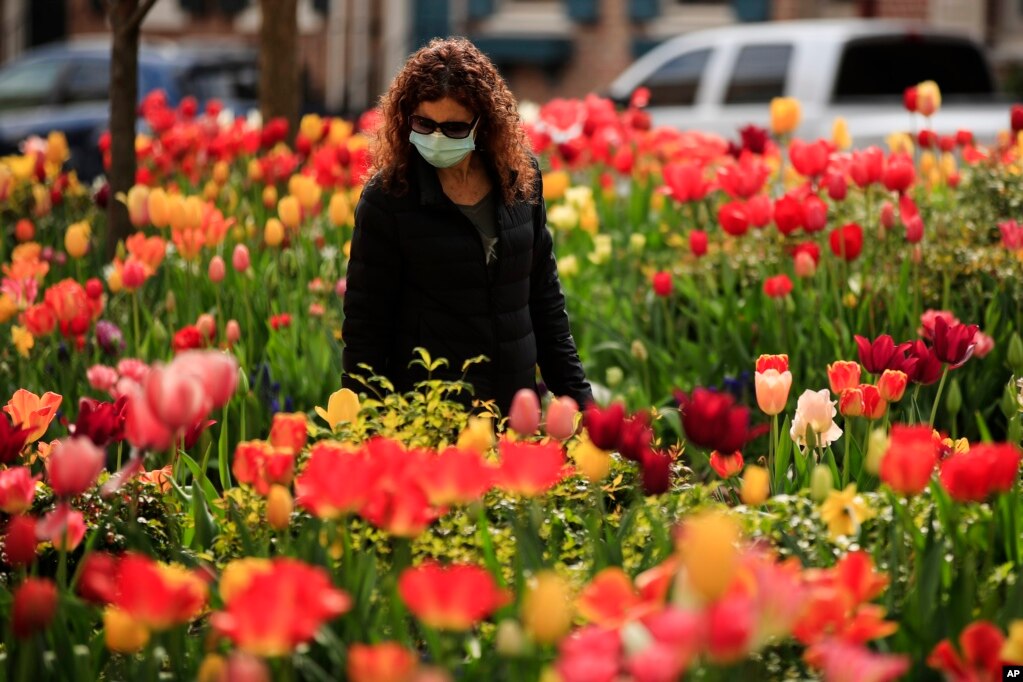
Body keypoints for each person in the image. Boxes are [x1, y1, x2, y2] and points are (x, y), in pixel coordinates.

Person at [341, 37, 592, 416]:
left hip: (512, 417)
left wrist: (586, 411)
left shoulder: (518, 180)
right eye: (424, 124)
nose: (437, 138)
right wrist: (372, 434)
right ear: (406, 116)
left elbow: (544, 303)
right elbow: (366, 333)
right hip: (430, 424)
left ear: (483, 125)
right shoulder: (389, 199)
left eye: (455, 128)